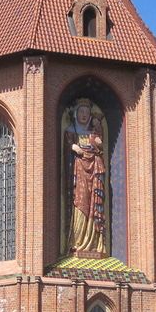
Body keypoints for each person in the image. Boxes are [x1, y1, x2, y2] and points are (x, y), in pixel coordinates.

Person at [65, 100, 107, 255]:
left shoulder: (93, 133)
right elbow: (68, 146)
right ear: (76, 114)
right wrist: (72, 146)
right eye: (81, 112)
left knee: (92, 203)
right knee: (80, 201)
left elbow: (100, 146)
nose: (84, 115)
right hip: (79, 171)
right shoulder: (70, 131)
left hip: (94, 170)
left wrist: (97, 141)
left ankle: (94, 242)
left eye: (87, 113)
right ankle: (77, 241)